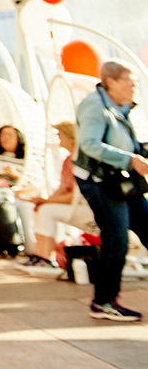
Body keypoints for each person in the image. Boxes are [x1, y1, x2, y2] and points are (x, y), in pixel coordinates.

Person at [75, 60, 148, 321]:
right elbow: (90, 145)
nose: (134, 86)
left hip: (120, 180)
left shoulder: (118, 105)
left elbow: (121, 140)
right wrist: (131, 159)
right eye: (130, 81)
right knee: (116, 239)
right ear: (111, 82)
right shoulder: (94, 106)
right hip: (100, 182)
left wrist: (140, 151)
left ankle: (105, 300)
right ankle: (104, 302)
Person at [17, 122, 85, 269]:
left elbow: (74, 195)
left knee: (46, 210)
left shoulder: (80, 160)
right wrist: (45, 200)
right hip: (72, 203)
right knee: (41, 208)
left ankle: (47, 257)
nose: (58, 137)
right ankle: (40, 254)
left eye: (60, 134)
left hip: (83, 206)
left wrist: (46, 201)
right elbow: (62, 188)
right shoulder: (68, 160)